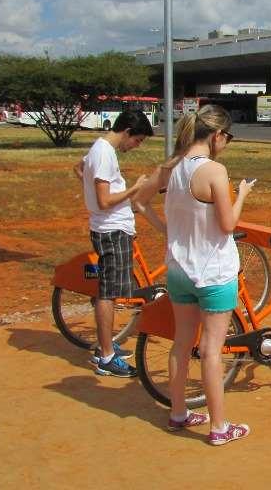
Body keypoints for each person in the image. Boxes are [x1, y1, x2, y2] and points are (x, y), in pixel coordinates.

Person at [135, 104, 255, 446]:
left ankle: (178, 413)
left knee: (182, 343)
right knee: (212, 350)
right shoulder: (215, 171)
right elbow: (228, 224)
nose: (226, 143)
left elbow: (140, 202)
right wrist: (242, 195)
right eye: (227, 137)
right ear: (216, 135)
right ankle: (219, 427)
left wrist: (167, 231)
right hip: (214, 272)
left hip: (179, 270)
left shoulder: (170, 167)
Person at [76, 110, 153, 376]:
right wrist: (135, 188)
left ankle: (106, 347)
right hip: (112, 231)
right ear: (128, 132)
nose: (136, 146)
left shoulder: (98, 150)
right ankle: (106, 356)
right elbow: (105, 201)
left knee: (109, 290)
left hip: (109, 227)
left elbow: (79, 168)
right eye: (138, 140)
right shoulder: (105, 153)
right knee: (108, 293)